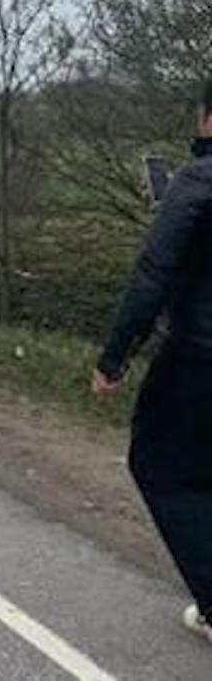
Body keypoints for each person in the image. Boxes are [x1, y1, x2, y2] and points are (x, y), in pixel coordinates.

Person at [93, 77, 212, 645]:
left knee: (158, 466)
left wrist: (114, 357)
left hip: (200, 358)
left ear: (208, 119)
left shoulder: (197, 181)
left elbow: (152, 275)